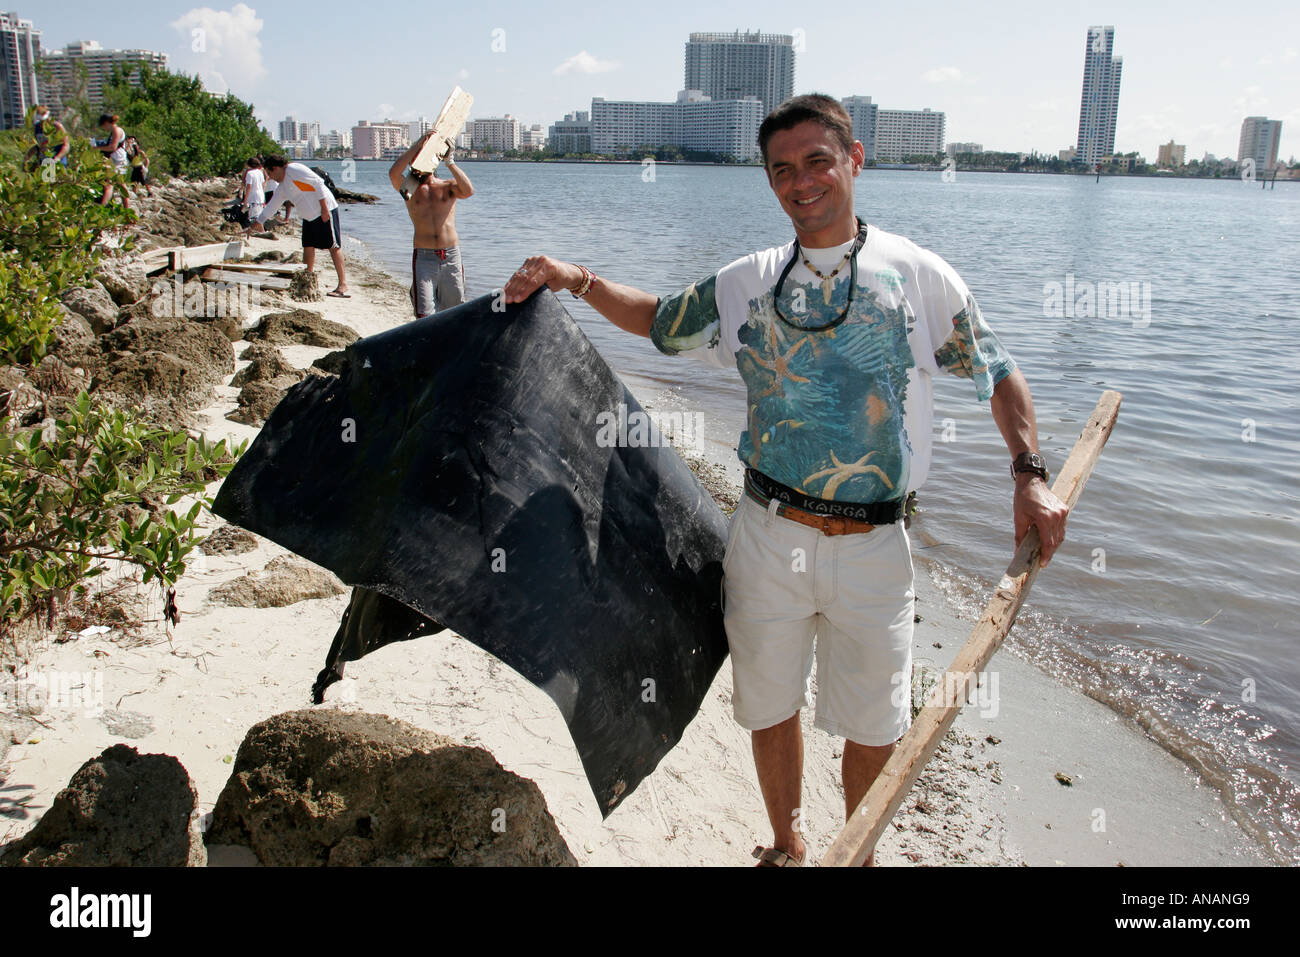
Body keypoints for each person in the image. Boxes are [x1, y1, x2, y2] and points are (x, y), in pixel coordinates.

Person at [502, 94, 1069, 867]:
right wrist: (577, 279)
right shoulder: (750, 281)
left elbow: (1000, 374)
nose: (800, 182)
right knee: (768, 704)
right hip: (768, 535)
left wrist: (1029, 474)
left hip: (876, 542)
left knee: (874, 724)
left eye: (816, 161)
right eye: (781, 169)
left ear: (854, 159)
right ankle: (787, 843)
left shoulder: (918, 276)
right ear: (768, 181)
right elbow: (661, 320)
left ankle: (857, 853)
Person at [388, 134, 474, 317]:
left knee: (456, 309)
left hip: (451, 255)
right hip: (424, 257)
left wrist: (450, 161)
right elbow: (393, 173)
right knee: (424, 312)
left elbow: (468, 190)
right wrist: (416, 146)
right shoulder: (410, 189)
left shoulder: (447, 186)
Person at [244, 155, 349, 297]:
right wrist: (257, 223)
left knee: (333, 247)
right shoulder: (282, 188)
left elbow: (318, 183)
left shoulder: (293, 169)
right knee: (308, 246)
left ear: (276, 168)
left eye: (270, 174)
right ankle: (307, 280)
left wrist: (324, 209)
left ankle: (343, 285)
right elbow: (272, 206)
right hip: (308, 216)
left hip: (325, 210)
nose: (271, 178)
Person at [94, 113, 129, 208]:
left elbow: (113, 147)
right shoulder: (114, 131)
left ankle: (102, 207)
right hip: (115, 160)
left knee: (110, 185)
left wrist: (96, 148)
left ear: (106, 123)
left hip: (118, 161)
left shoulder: (117, 131)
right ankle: (126, 210)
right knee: (119, 184)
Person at [27, 105, 70, 170]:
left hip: (59, 163)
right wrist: (28, 158)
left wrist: (57, 158)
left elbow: (66, 145)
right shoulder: (37, 127)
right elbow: (38, 146)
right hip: (44, 163)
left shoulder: (57, 127)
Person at [241, 157, 266, 227]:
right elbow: (263, 185)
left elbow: (249, 187)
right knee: (258, 215)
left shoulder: (250, 173)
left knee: (253, 216)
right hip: (260, 195)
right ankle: (258, 229)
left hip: (253, 196)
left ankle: (257, 230)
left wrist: (245, 201)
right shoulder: (260, 172)